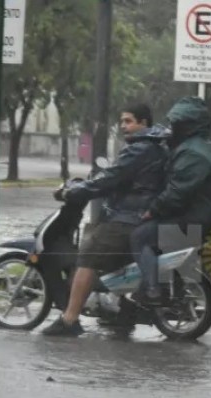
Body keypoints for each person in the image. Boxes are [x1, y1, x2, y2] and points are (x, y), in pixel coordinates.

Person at [41, 102, 169, 336]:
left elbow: (111, 178)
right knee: (112, 261)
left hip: (129, 217)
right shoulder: (155, 146)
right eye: (121, 121)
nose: (123, 126)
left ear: (144, 123)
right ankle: (121, 312)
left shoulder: (140, 148)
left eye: (129, 121)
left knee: (89, 254)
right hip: (142, 214)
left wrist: (75, 192)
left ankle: (69, 320)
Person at [130, 96, 211, 305]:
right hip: (202, 216)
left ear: (187, 125)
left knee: (140, 236)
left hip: (195, 219)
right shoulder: (201, 147)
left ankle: (154, 290)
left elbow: (177, 192)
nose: (171, 128)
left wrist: (152, 210)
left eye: (176, 124)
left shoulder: (193, 152)